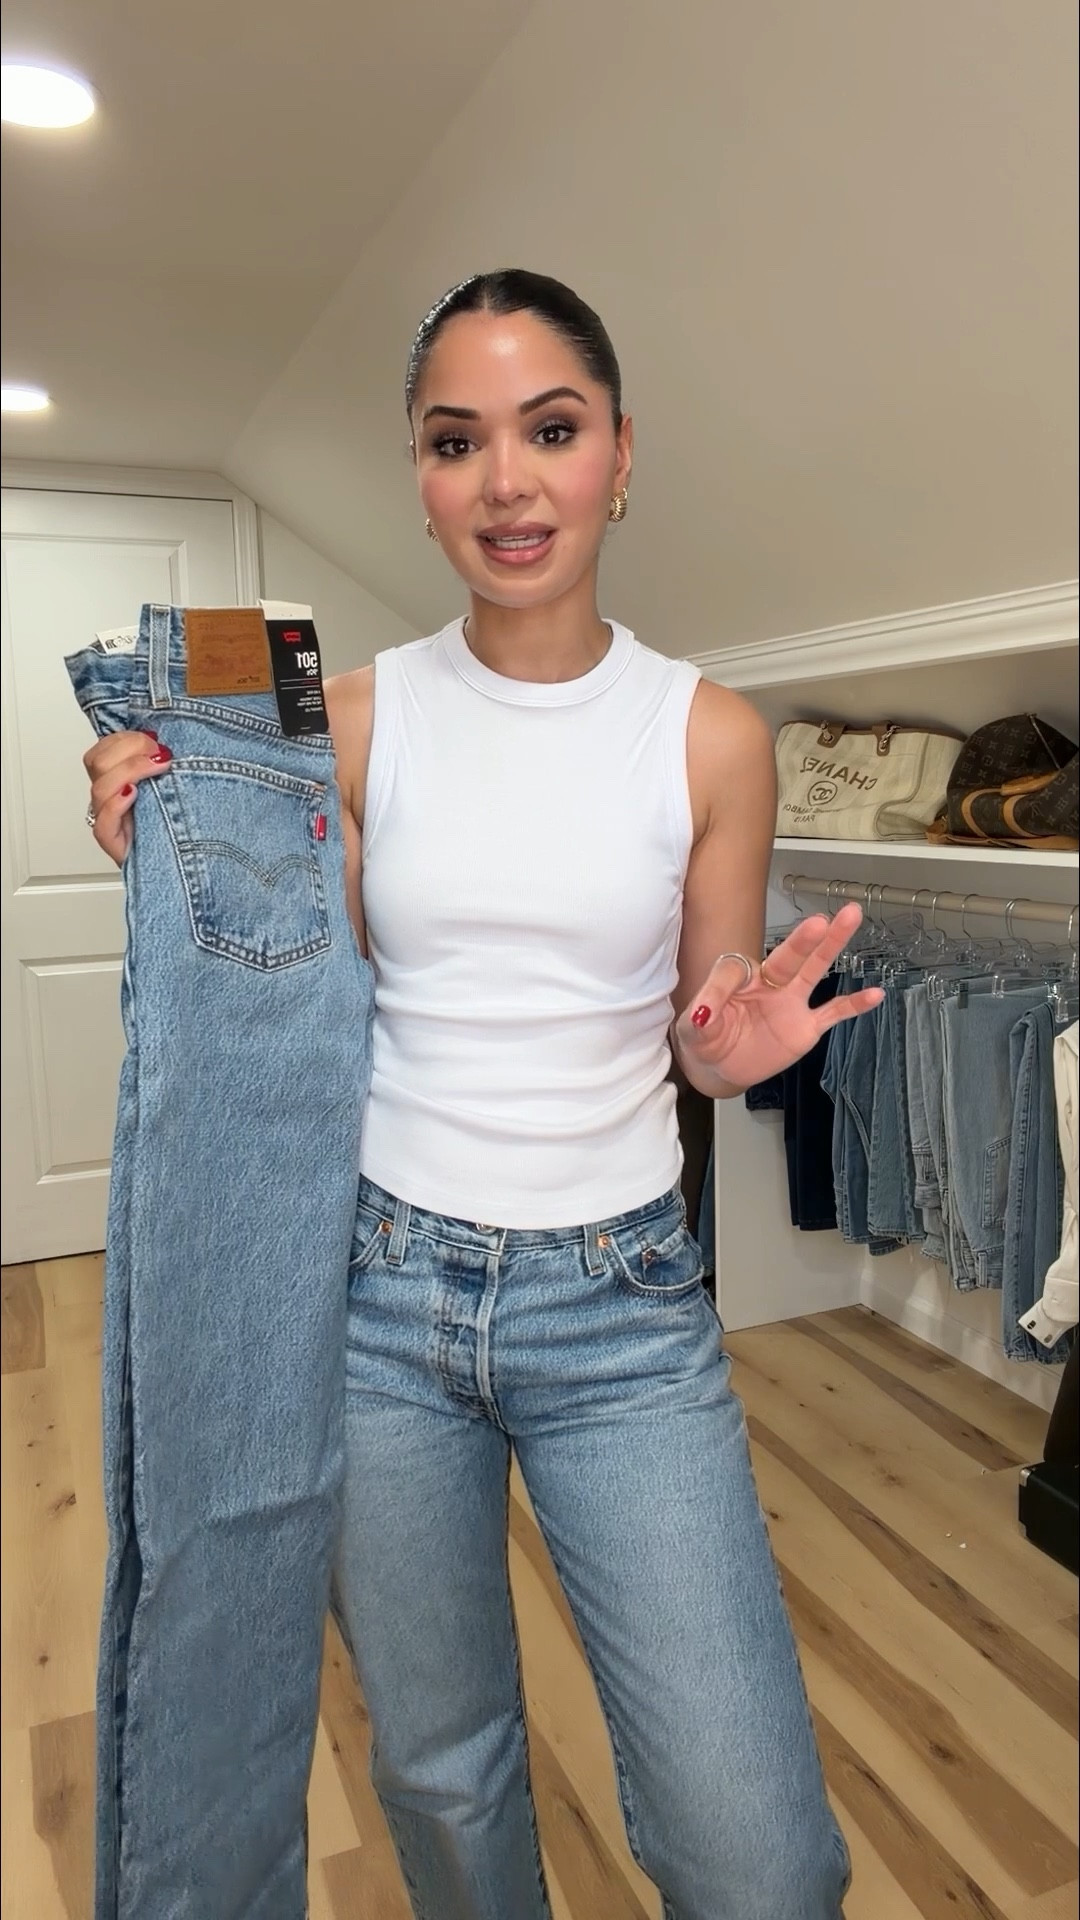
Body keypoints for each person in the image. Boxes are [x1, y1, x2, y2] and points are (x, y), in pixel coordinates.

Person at [84, 269, 882, 1920]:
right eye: (458, 442)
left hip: (625, 1310)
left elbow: (703, 1022)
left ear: (621, 455)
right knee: (444, 1777)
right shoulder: (348, 721)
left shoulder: (711, 736)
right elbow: (295, 981)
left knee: (760, 1857)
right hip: (379, 1300)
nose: (507, 482)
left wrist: (731, 1050)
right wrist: (160, 818)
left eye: (552, 430)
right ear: (420, 476)